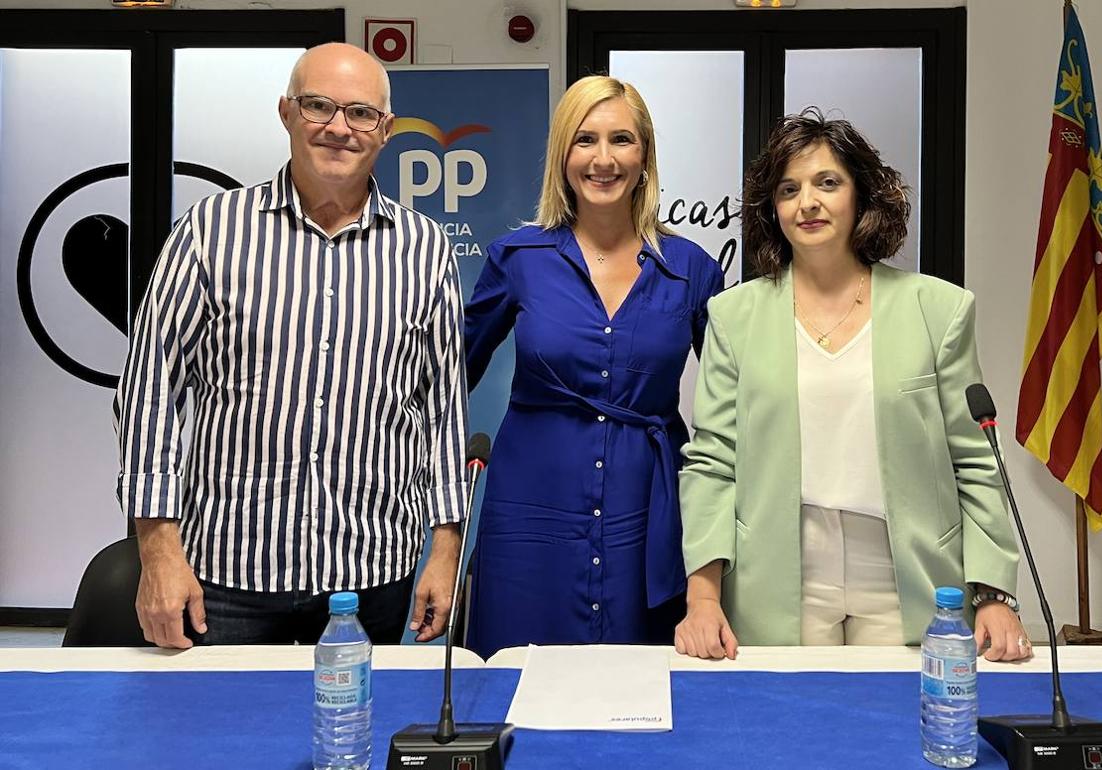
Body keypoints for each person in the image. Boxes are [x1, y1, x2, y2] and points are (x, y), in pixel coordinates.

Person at [114, 43, 468, 648]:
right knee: (219, 740)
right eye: (318, 106)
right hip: (228, 576)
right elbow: (151, 391)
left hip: (373, 573)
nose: (339, 127)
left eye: (360, 114)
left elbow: (440, 411)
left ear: (384, 131)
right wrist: (157, 549)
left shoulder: (425, 249)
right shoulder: (209, 231)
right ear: (286, 112)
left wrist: (446, 548)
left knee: (356, 740)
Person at [676, 110, 1031, 662]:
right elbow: (713, 463)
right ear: (774, 209)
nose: (807, 202)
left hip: (904, 573)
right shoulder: (733, 316)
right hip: (779, 570)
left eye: (827, 183)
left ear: (863, 197)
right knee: (790, 732)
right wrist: (703, 598)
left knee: (899, 732)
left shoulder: (939, 310)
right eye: (789, 189)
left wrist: (992, 593)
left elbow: (976, 460)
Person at [462, 75, 723, 659]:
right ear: (563, 154)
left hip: (646, 510)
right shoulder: (517, 258)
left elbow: (735, 417)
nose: (603, 159)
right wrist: (444, 528)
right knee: (515, 682)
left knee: (642, 691)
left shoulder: (693, 270)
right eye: (585, 141)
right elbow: (444, 387)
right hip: (530, 511)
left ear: (645, 156)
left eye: (621, 140)